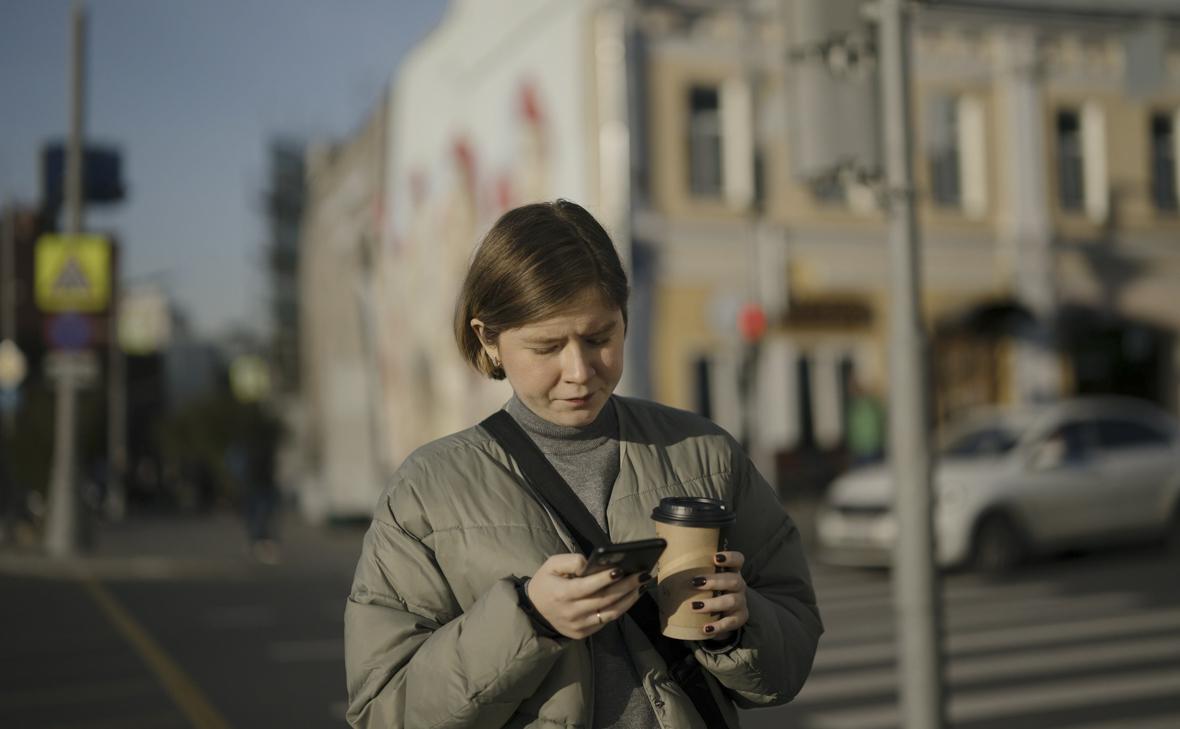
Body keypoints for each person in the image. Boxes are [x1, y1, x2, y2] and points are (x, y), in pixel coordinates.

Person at [344, 200, 822, 729]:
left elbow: (791, 642)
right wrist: (529, 620)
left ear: (624, 318)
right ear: (488, 339)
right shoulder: (425, 492)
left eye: (599, 339)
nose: (579, 370)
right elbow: (383, 710)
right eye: (546, 347)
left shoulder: (703, 452)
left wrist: (736, 625)